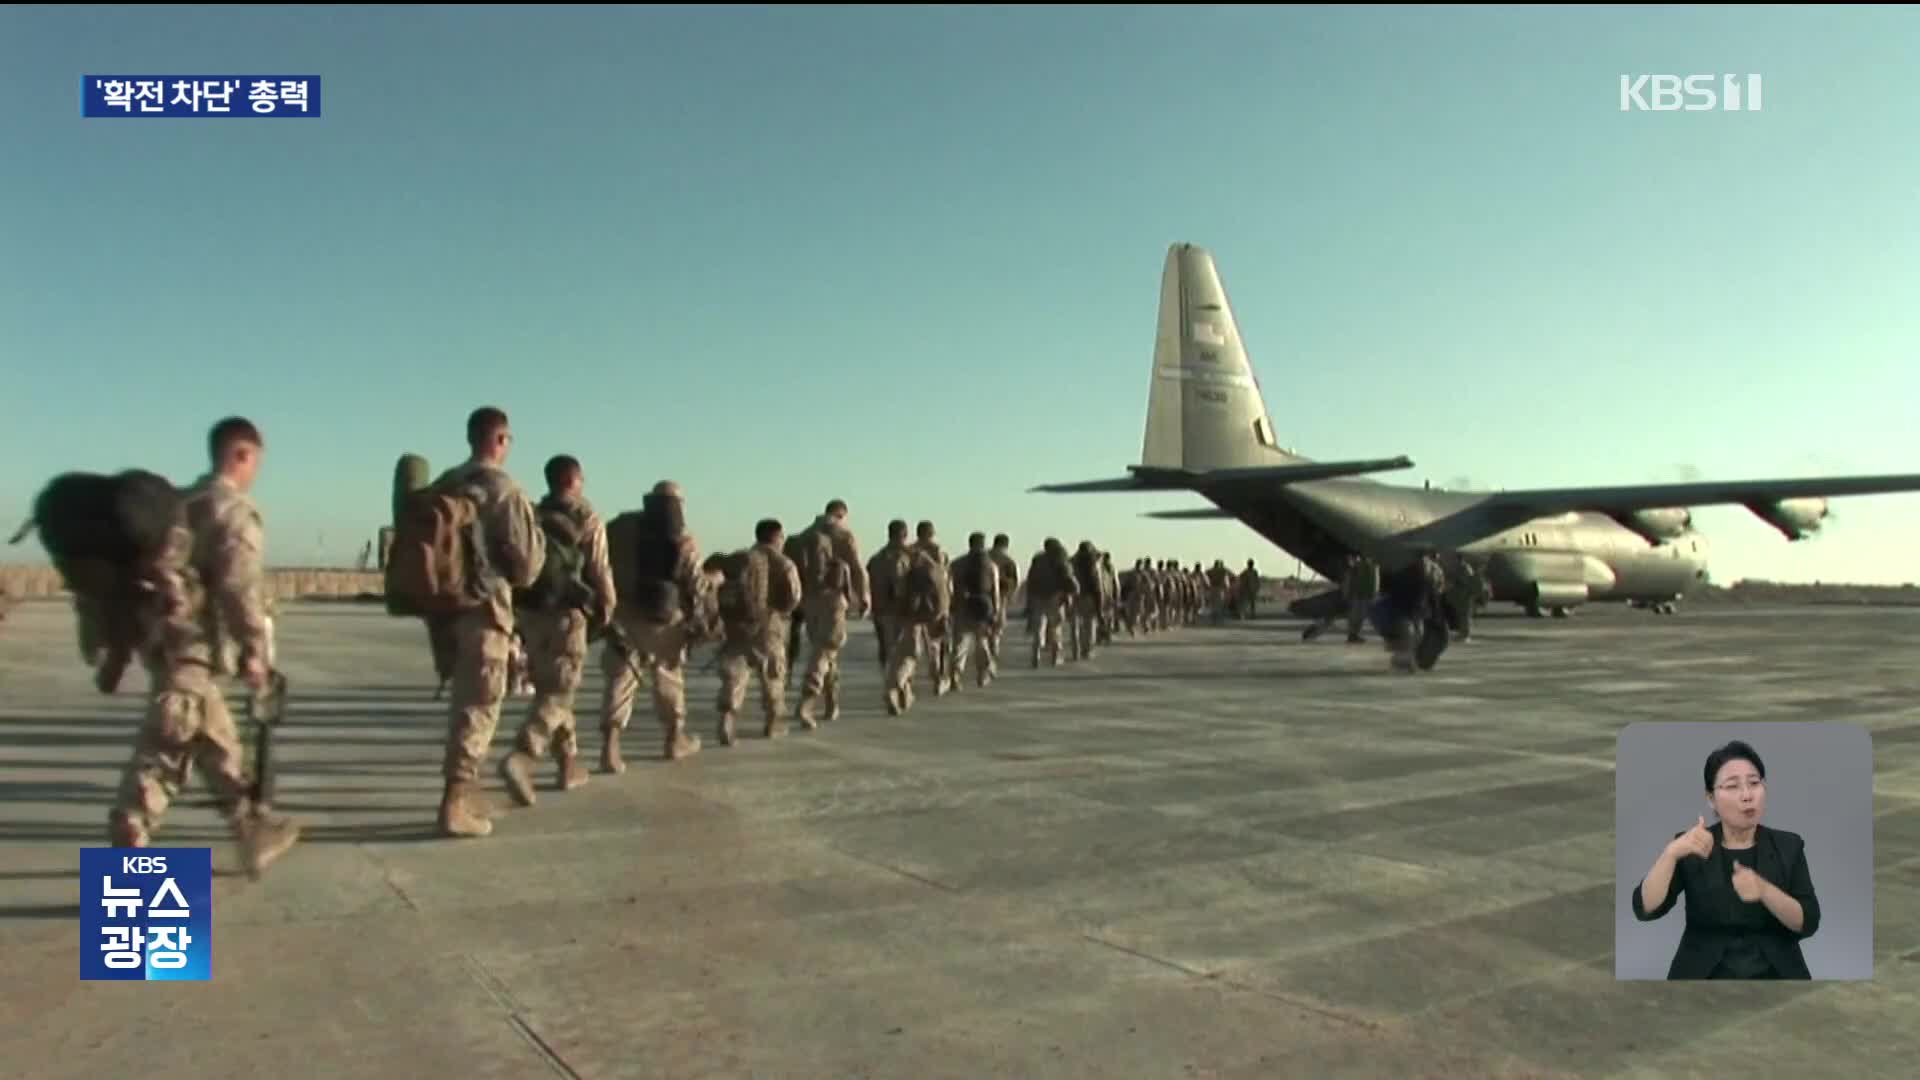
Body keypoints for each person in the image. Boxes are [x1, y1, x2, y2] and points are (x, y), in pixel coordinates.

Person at [105, 417, 300, 874]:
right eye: (256, 462)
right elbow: (240, 587)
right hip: (194, 649)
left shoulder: (178, 505)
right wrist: (256, 650)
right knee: (165, 751)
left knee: (216, 743)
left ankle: (251, 828)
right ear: (242, 455)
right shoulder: (232, 511)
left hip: (165, 641)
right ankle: (131, 845)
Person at [428, 406, 545, 838]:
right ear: (500, 440)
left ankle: (463, 793)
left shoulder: (446, 482)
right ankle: (454, 804)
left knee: (464, 704)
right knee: (478, 706)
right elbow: (527, 567)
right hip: (485, 611)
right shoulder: (502, 489)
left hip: (444, 614)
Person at [1631, 740, 1821, 979]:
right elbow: (1645, 908)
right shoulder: (1692, 844)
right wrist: (1671, 853)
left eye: (1754, 783)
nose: (1746, 795)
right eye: (1732, 786)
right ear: (1711, 798)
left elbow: (1809, 921)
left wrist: (1764, 890)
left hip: (1777, 974)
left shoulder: (1788, 845)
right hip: (1703, 975)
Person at [499, 455, 615, 807]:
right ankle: (523, 755)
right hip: (568, 613)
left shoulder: (533, 514)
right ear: (575, 480)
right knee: (560, 692)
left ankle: (568, 764)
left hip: (533, 614)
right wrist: (607, 606)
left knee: (554, 686)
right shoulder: (586, 516)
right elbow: (599, 567)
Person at [713, 519, 802, 744]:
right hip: (768, 626)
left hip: (737, 626)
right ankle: (773, 723)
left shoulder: (741, 558)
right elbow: (793, 597)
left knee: (735, 676)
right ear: (777, 537)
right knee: (773, 674)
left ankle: (727, 717)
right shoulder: (784, 563)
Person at [789, 499, 870, 726]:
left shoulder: (805, 535)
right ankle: (807, 700)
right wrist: (864, 597)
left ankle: (832, 703)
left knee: (826, 653)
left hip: (808, 601)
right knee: (825, 650)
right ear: (842, 514)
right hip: (833, 600)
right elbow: (856, 567)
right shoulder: (843, 534)